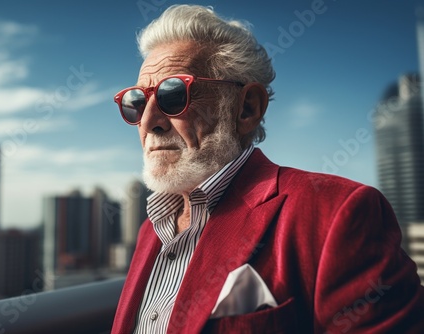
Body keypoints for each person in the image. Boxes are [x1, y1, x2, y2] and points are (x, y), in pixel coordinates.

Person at [111, 4, 424, 333]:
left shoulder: (339, 213)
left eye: (173, 95)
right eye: (137, 102)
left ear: (247, 108)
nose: (148, 122)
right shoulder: (153, 229)